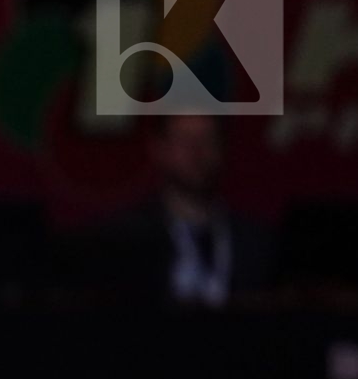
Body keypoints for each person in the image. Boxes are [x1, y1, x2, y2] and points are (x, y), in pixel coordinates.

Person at [86, 113, 274, 307]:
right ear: (159, 148)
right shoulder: (124, 240)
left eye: (207, 139)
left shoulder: (256, 242)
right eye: (184, 140)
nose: (197, 151)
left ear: (223, 147)